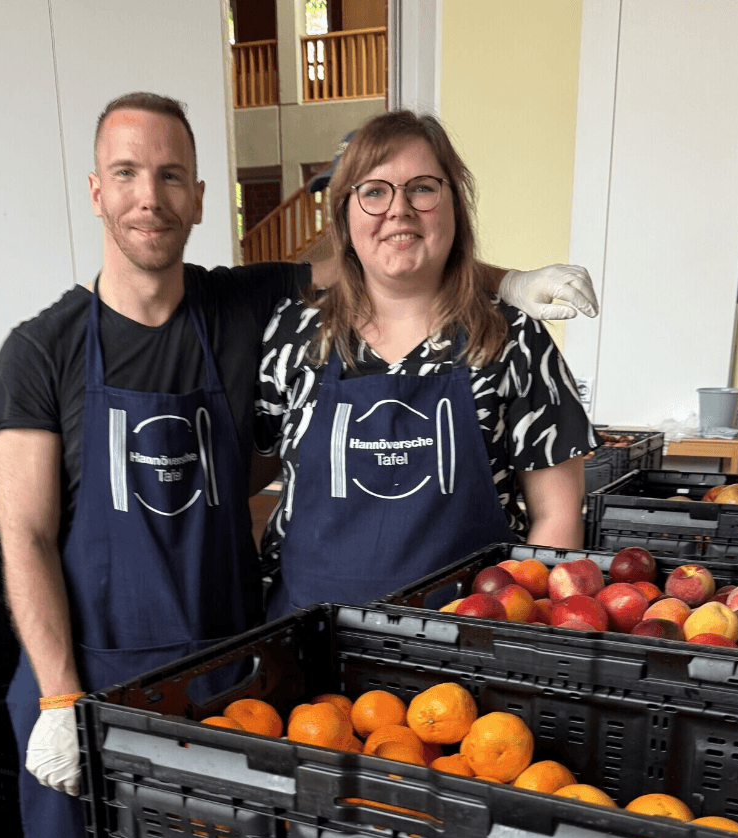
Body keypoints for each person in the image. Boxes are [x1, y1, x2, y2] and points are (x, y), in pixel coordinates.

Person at [0, 92, 598, 838]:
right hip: (122, 675)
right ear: (96, 189)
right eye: (127, 173)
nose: (150, 196)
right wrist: (61, 695)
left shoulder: (244, 309)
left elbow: (398, 254)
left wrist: (509, 278)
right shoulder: (53, 350)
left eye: (172, 175)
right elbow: (25, 537)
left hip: (269, 673)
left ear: (200, 196)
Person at [256, 111, 600, 618]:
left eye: (421, 188)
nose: (399, 210)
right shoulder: (292, 336)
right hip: (308, 650)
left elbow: (557, 520)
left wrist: (508, 643)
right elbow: (245, 479)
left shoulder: (513, 340)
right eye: (373, 191)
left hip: (464, 659)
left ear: (453, 205)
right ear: (345, 215)